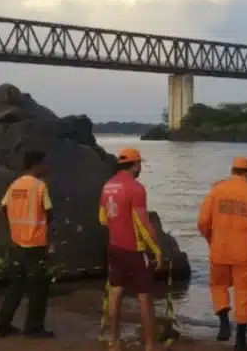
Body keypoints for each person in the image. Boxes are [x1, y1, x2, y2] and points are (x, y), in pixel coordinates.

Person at [198, 157, 247, 351]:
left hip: (219, 249)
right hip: (243, 252)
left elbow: (203, 221)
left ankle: (223, 321)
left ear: (232, 170)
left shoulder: (217, 191)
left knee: (218, 285)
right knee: (244, 293)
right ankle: (241, 340)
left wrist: (211, 239)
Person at [99, 148, 163, 351]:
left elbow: (102, 218)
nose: (140, 168)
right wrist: (157, 249)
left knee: (115, 292)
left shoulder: (108, 186)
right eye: (139, 164)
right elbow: (143, 221)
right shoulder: (136, 188)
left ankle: (115, 341)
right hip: (134, 249)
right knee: (144, 295)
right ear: (135, 165)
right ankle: (150, 345)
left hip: (114, 245)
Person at [0, 150, 55, 339]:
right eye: (44, 163)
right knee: (39, 286)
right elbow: (49, 212)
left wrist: (15, 222)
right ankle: (34, 327)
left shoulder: (15, 185)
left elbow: (0, 208)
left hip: (17, 242)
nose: (46, 167)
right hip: (35, 244)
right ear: (36, 164)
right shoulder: (39, 186)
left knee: (17, 285)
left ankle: (2, 325)